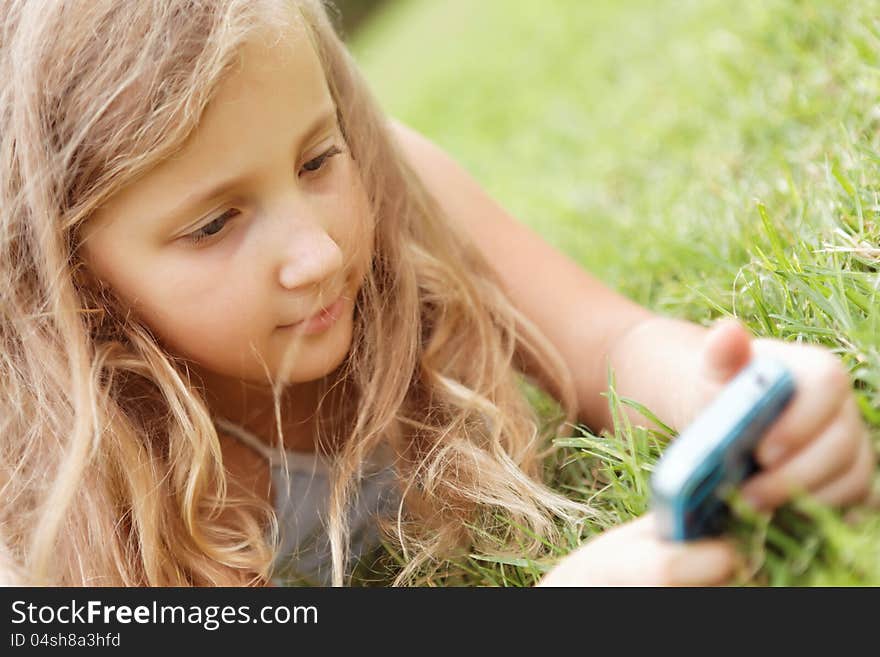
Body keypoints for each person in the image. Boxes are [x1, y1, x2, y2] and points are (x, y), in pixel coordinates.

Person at [0, 0, 873, 587]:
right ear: (74, 282)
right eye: (212, 225)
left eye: (316, 158)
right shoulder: (55, 490)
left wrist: (715, 391)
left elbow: (605, 343)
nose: (316, 252)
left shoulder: (392, 180)